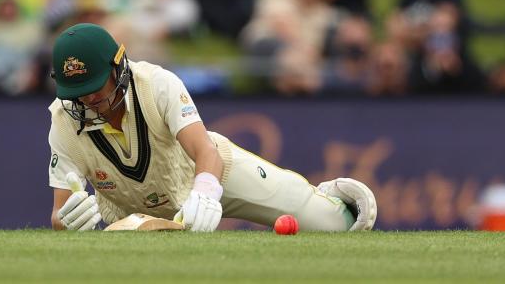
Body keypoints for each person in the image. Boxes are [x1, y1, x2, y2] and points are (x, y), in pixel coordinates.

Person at [47, 22, 377, 231]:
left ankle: (331, 199)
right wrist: (68, 220)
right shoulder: (63, 119)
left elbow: (205, 150)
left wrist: (205, 194)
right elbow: (59, 212)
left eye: (94, 88)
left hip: (214, 177)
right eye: (77, 93)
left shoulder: (157, 84)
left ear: (117, 69)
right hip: (132, 215)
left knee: (328, 225)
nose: (88, 101)